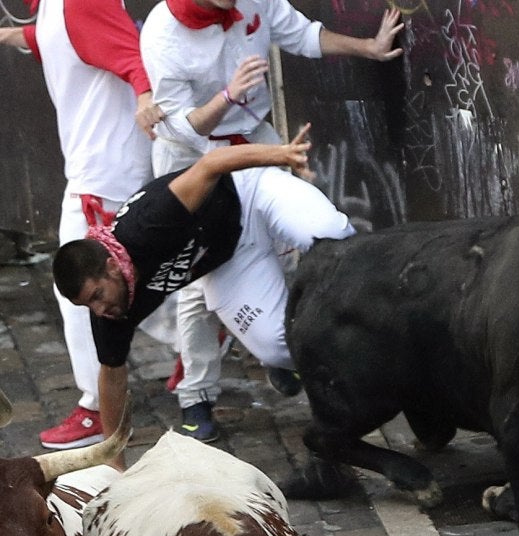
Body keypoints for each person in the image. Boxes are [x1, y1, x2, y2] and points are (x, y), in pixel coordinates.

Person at [139, 0, 403, 441]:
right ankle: (196, 396)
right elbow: (185, 127)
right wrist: (228, 95)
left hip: (258, 140)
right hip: (194, 159)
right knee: (196, 284)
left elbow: (301, 33)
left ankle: (281, 356)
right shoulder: (163, 32)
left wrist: (368, 47)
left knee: (285, 247)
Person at [53, 124, 354, 468]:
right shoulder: (111, 312)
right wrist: (113, 465)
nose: (100, 308)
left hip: (250, 192)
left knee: (333, 239)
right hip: (230, 256)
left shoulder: (149, 222)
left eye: (97, 295)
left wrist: (281, 154)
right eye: (88, 305)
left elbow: (213, 163)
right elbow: (111, 379)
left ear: (110, 267)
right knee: (278, 347)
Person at [0, 0, 165, 449]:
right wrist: (13, 37)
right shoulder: (57, 8)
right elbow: (56, 39)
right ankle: (207, 337)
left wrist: (146, 96)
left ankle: (96, 406)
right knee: (135, 278)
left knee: (79, 287)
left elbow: (129, 53)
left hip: (105, 173)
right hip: (99, 169)